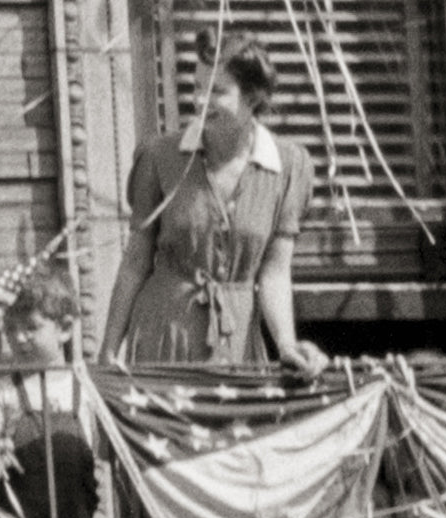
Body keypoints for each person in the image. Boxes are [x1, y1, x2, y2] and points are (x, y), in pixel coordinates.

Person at [99, 28, 328, 378]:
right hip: (165, 335)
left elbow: (274, 271)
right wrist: (109, 349)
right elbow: (135, 263)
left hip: (237, 341)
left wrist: (285, 344)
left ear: (253, 98)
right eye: (197, 87)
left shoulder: (288, 167)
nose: (201, 100)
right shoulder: (160, 157)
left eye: (217, 90)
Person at [0, 268, 97, 518]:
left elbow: (102, 453)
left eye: (31, 327)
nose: (19, 338)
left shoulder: (83, 390)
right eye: (10, 329)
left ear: (65, 329)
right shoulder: (4, 392)